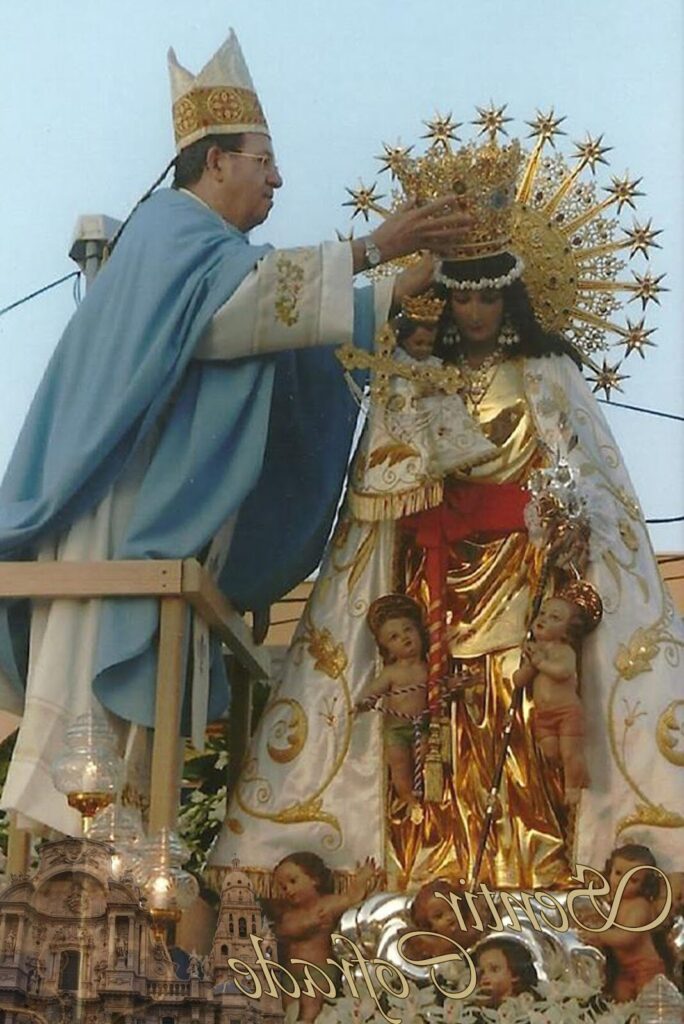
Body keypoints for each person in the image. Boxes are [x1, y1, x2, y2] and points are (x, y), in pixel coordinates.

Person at [0, 31, 470, 835]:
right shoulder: (167, 235)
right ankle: (58, 870)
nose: (278, 177)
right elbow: (236, 317)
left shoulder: (208, 252)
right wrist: (373, 252)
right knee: (82, 730)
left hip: (153, 524)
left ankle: (101, 867)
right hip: (115, 520)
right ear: (214, 161)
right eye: (263, 159)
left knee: (125, 759)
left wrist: (385, 299)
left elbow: (259, 323)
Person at [213, 123, 684, 895]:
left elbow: (587, 479)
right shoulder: (410, 374)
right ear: (443, 297)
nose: (473, 316)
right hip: (433, 576)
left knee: (519, 702)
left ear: (512, 296)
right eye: (460, 298)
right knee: (431, 711)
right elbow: (379, 488)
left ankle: (534, 865)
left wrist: (564, 533)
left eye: (487, 299)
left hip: (524, 571)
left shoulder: (545, 374)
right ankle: (431, 866)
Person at [512, 582, 602, 805]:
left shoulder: (564, 651)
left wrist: (541, 662)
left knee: (570, 751)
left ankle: (573, 786)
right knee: (551, 752)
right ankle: (578, 773)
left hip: (566, 713)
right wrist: (530, 665)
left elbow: (563, 672)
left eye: (555, 618)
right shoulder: (535, 652)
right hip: (544, 716)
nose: (544, 619)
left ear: (567, 631)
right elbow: (518, 680)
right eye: (542, 613)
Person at [267, 851, 380, 1021]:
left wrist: (362, 878)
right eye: (283, 887)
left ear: (315, 879)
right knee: (289, 1008)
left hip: (319, 971)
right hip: (292, 972)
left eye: (293, 881)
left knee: (311, 1006)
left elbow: (350, 898)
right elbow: (284, 930)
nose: (288, 890)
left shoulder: (327, 904)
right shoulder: (289, 914)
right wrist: (308, 923)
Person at [355, 594, 429, 815]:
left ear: (419, 631)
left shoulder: (429, 667)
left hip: (421, 726)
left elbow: (442, 686)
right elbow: (374, 690)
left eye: (408, 630)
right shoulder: (391, 673)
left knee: (423, 755)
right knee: (398, 763)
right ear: (387, 649)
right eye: (394, 637)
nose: (405, 638)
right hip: (396, 729)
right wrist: (366, 701)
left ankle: (420, 792)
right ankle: (406, 797)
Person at [578, 843, 676, 1003]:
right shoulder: (617, 903)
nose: (621, 882)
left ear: (645, 884)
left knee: (650, 1003)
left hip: (646, 968)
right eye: (618, 873)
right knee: (620, 1000)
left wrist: (600, 934)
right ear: (609, 871)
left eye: (632, 879)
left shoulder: (640, 907)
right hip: (624, 970)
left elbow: (626, 937)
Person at [471, 937, 538, 1009]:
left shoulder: (533, 1011)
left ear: (514, 974)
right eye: (482, 972)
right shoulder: (473, 1012)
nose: (484, 977)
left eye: (494, 969)